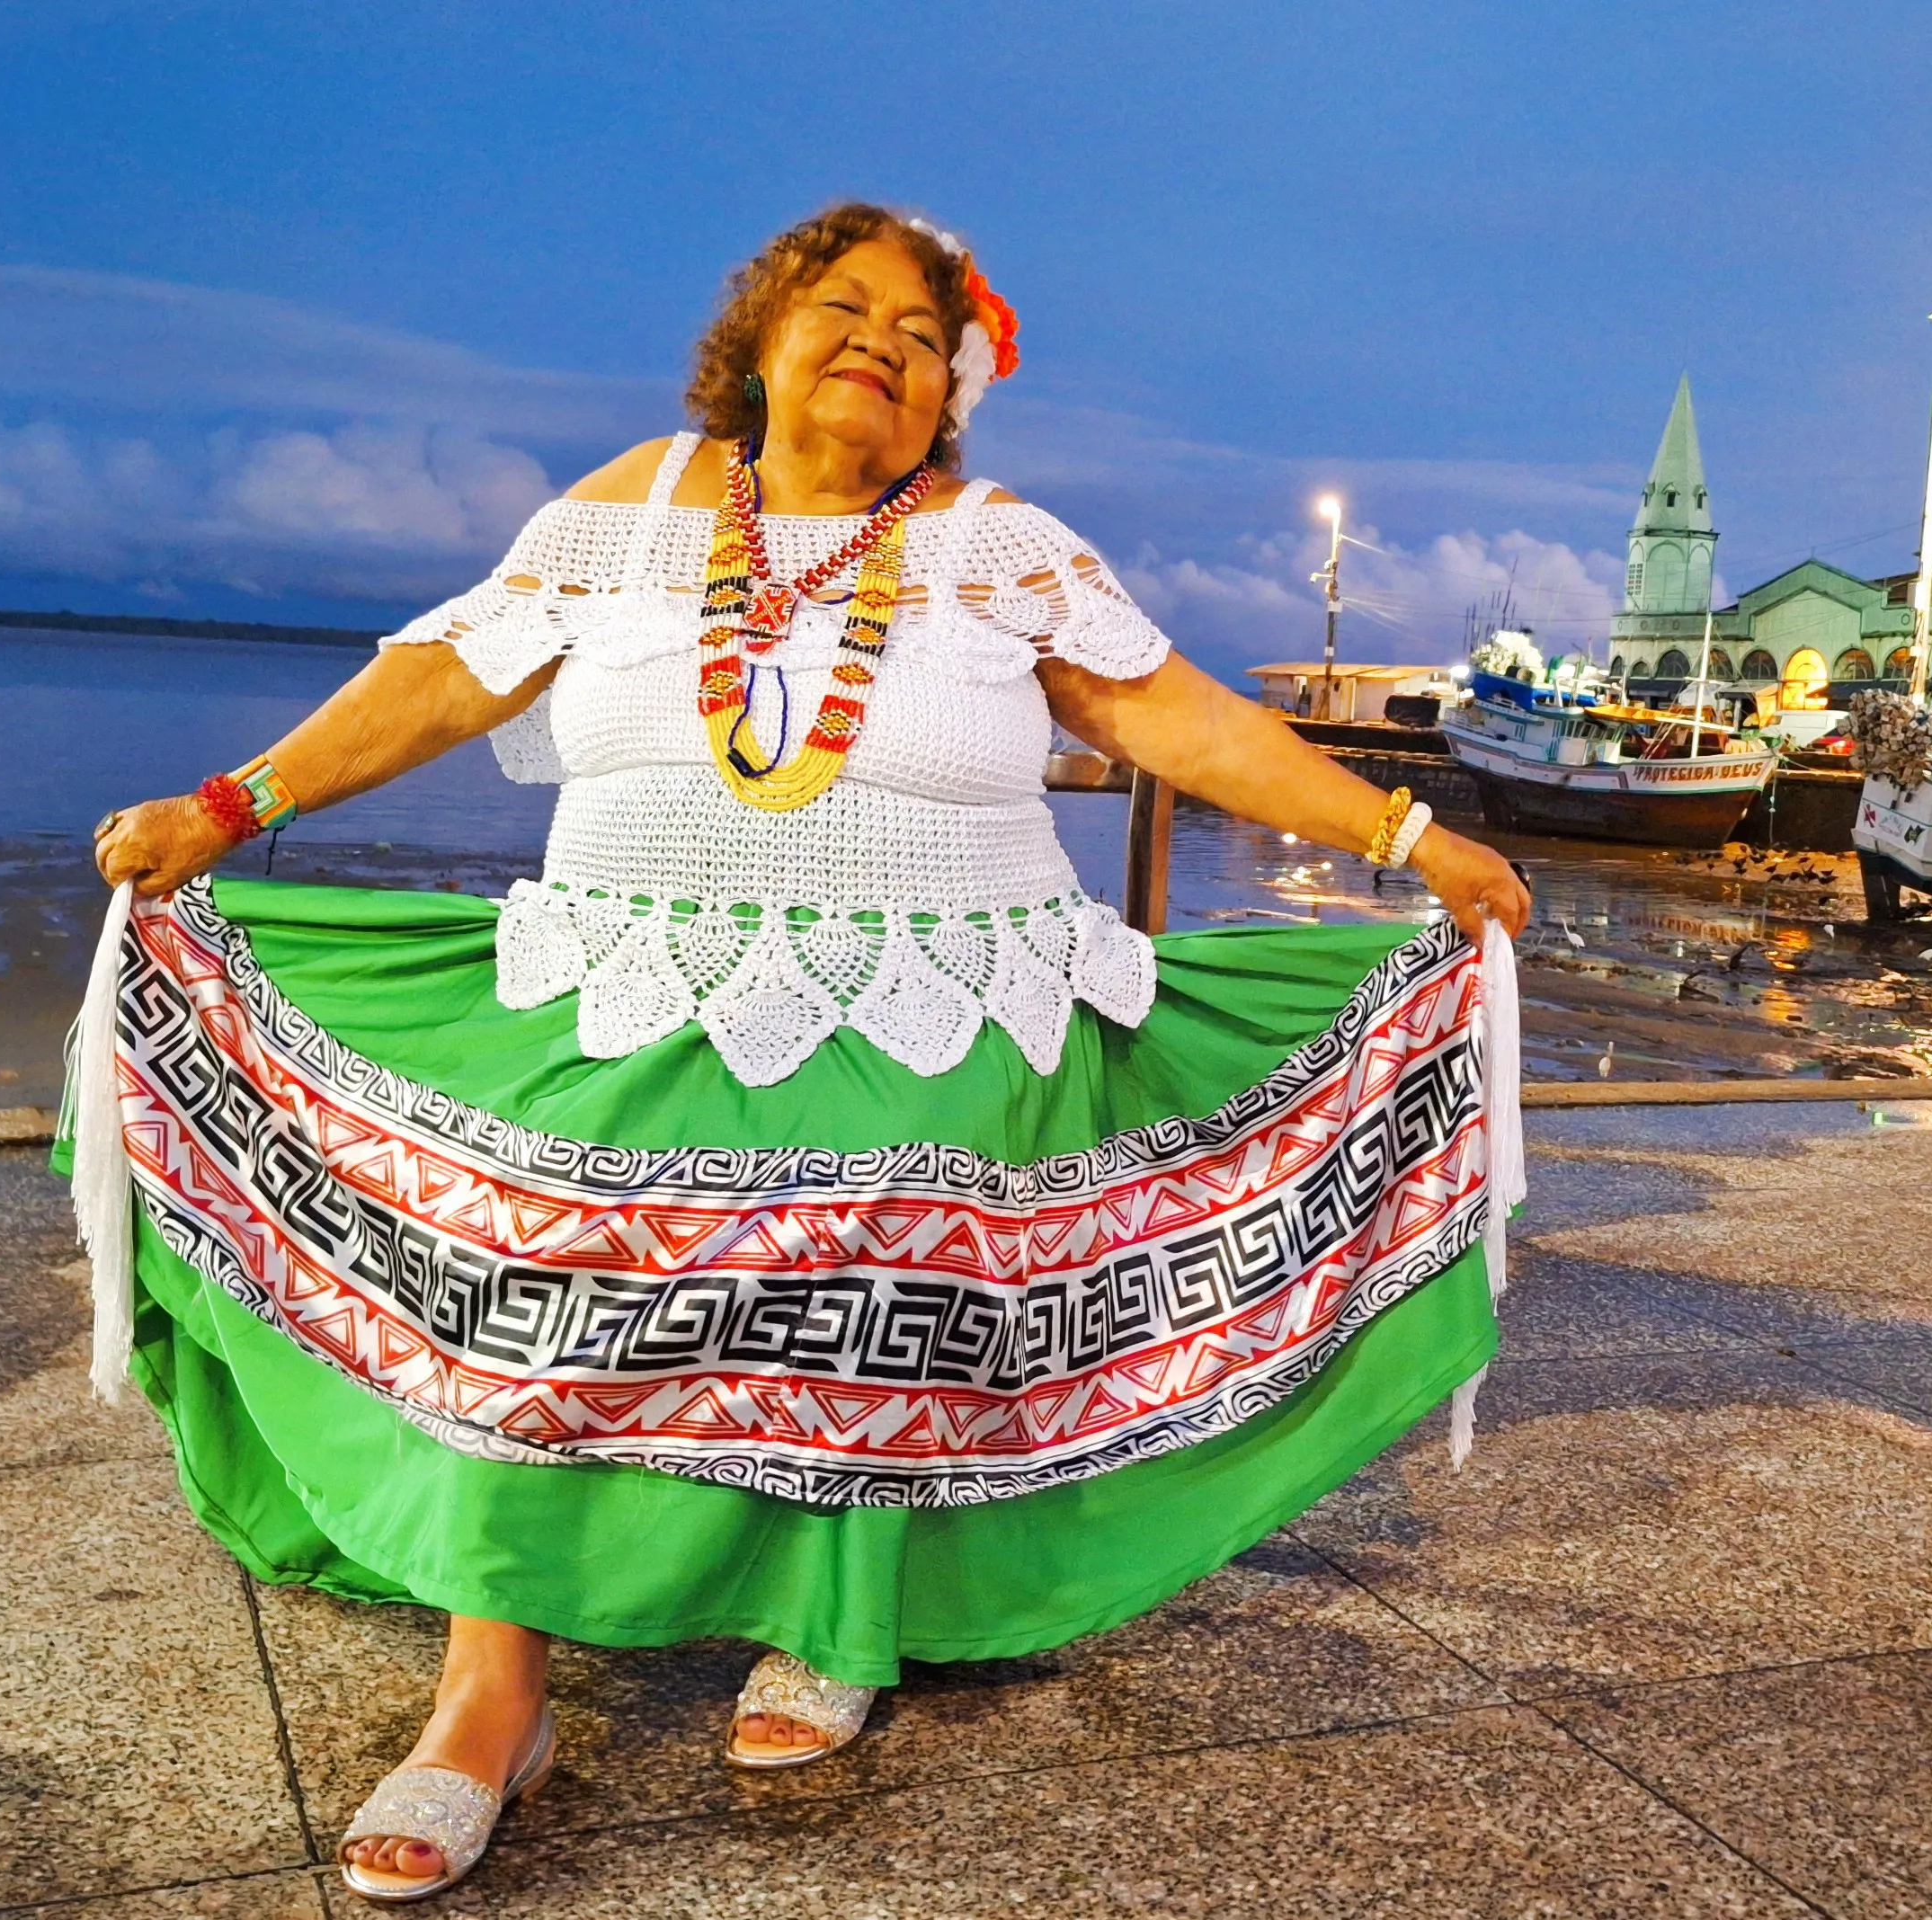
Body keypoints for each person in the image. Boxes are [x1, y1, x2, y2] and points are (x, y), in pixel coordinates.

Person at [82, 202, 1529, 1904]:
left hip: (953, 994)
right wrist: (230, 803)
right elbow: (448, 677)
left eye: (921, 338)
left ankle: (837, 1621)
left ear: (951, 397)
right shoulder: (639, 503)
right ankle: (492, 1688)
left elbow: (1176, 717)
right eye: (844, 309)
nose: (880, 348)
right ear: (760, 341)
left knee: (894, 1212)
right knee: (533, 1251)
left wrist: (1410, 834)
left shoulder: (1001, 544)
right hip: (627, 974)